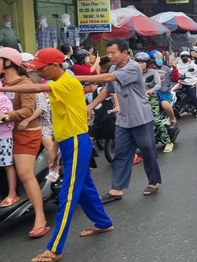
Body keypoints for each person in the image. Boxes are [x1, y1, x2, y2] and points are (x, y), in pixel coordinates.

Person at [0, 48, 113, 262]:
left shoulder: (66, 83)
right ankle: (104, 223)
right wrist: (54, 148)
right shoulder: (59, 85)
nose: (40, 72)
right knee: (86, 188)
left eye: (43, 68)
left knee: (68, 195)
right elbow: (61, 119)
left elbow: (37, 87)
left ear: (55, 66)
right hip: (68, 142)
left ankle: (54, 248)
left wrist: (2, 87)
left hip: (78, 142)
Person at [81, 38, 161, 202]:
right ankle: (117, 189)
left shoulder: (133, 67)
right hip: (123, 119)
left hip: (140, 117)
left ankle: (153, 181)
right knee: (121, 154)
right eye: (108, 53)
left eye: (113, 52)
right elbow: (107, 90)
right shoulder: (112, 68)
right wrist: (91, 106)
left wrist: (77, 77)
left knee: (148, 151)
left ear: (124, 53)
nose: (110, 56)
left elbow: (109, 79)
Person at [0, 47, 48, 238]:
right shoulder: (2, 82)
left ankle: (40, 217)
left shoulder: (24, 83)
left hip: (25, 133)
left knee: (24, 173)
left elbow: (28, 110)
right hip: (6, 134)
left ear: (8, 62)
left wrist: (6, 116)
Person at [136, 53, 173, 153]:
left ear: (147, 63)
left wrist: (151, 90)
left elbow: (158, 84)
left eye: (142, 62)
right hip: (138, 100)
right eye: (138, 62)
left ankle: (168, 142)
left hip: (151, 98)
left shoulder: (153, 72)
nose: (140, 64)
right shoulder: (135, 74)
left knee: (156, 120)